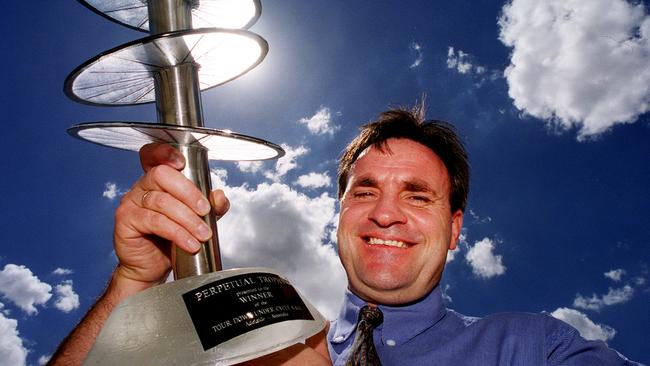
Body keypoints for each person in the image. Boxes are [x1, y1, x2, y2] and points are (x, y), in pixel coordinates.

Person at [49, 105, 642, 365]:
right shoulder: (258, 347)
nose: (385, 214)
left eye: (417, 195)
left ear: (455, 228)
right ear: (339, 218)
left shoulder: (537, 350)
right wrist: (134, 282)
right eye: (364, 192)